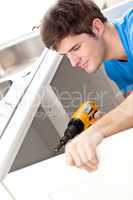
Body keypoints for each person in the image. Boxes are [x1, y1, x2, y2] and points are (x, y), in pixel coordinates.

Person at [40, 0, 133, 171]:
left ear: (97, 27)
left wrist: (97, 131)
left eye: (75, 48)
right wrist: (109, 123)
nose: (73, 62)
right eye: (66, 55)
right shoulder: (113, 66)